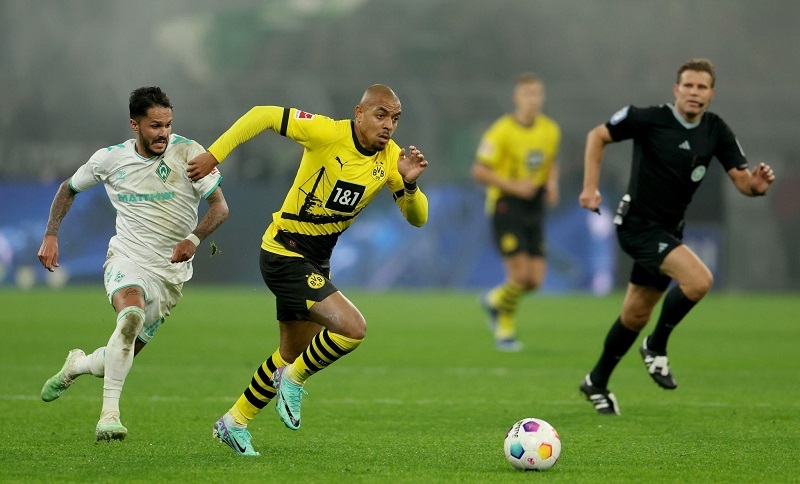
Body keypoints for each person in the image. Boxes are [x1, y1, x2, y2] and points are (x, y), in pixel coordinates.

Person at [186, 84, 429, 456]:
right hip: (284, 251)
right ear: (359, 113)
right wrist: (215, 154)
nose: (389, 126)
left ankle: (233, 422)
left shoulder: (390, 158)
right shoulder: (328, 133)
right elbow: (263, 114)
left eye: (395, 118)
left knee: (290, 351)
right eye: (381, 115)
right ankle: (294, 380)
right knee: (352, 328)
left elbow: (418, 219)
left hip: (317, 259)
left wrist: (409, 185)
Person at [577, 58, 775, 415]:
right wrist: (590, 188)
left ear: (712, 94)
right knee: (699, 281)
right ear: (676, 89)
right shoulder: (649, 118)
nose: (695, 93)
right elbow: (598, 135)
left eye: (702, 87)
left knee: (634, 315)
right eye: (689, 86)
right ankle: (656, 346)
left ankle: (596, 381)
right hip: (637, 225)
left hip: (668, 230)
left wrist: (756, 187)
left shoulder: (715, 130)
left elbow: (743, 180)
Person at [38, 86, 229, 440]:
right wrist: (51, 234)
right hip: (127, 258)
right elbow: (69, 188)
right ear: (134, 125)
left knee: (117, 353)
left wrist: (194, 238)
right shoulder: (110, 159)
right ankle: (109, 416)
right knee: (131, 315)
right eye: (155, 126)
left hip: (171, 275)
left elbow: (220, 206)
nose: (164, 133)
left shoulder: (190, 153)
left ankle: (77, 365)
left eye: (168, 125)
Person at [471, 72, 560, 352]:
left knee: (534, 281)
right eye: (527, 94)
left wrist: (552, 184)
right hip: (506, 204)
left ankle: (494, 300)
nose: (533, 100)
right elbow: (479, 171)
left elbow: (551, 162)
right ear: (516, 98)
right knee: (519, 276)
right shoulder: (501, 131)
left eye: (537, 94)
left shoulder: (550, 130)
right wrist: (514, 186)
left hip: (534, 207)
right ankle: (505, 329)